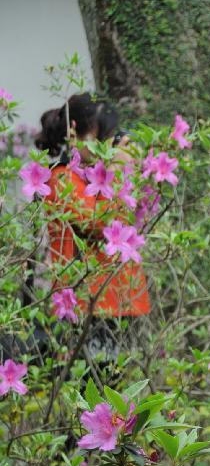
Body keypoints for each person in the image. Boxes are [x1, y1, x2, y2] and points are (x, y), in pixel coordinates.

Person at [36, 93, 150, 360]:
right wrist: (121, 167)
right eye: (101, 139)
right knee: (98, 390)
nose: (106, 147)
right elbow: (101, 224)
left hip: (122, 298)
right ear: (74, 130)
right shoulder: (61, 177)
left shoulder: (93, 172)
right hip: (90, 305)